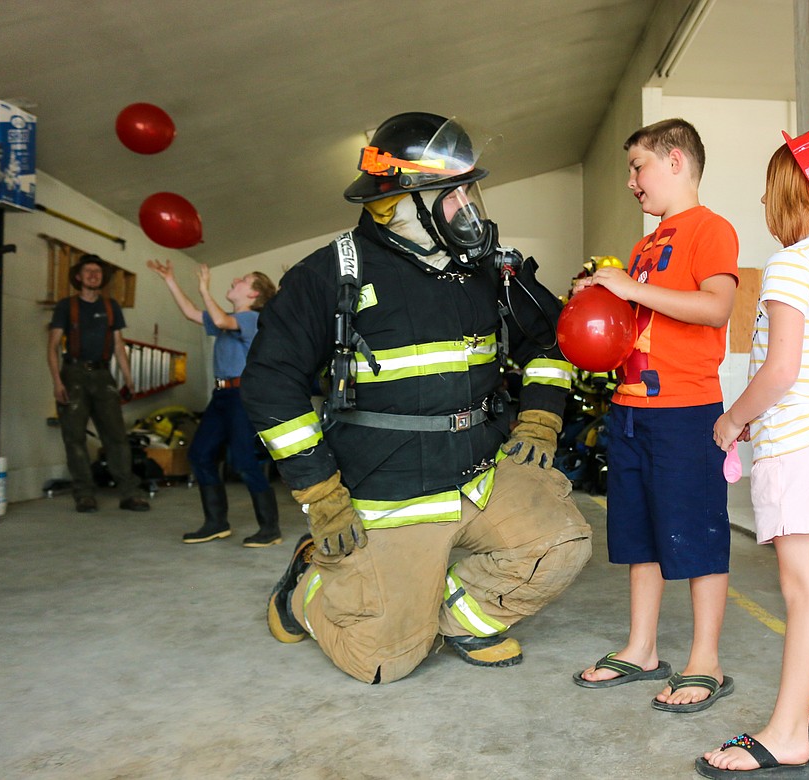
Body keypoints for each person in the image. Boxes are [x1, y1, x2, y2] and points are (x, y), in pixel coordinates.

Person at [241, 111, 592, 683]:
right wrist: (322, 496)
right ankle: (306, 589)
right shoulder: (329, 273)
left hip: (482, 470)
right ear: (405, 202)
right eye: (455, 194)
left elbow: (551, 340)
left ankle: (456, 622)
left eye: (470, 190)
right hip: (390, 485)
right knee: (383, 661)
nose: (471, 206)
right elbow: (269, 384)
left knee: (563, 543)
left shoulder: (490, 270)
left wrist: (539, 422)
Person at [696, 117, 809, 779]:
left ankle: (787, 734)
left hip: (798, 446)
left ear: (794, 195)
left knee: (804, 594)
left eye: (772, 188)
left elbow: (779, 371)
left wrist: (731, 420)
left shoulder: (790, 264)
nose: (766, 202)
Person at [572, 118, 739, 714]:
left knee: (696, 533)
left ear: (675, 160)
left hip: (685, 412)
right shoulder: (645, 246)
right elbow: (630, 323)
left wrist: (630, 291)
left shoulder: (709, 229)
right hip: (630, 411)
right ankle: (642, 649)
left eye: (638, 167)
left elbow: (716, 308)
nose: (630, 182)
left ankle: (705, 661)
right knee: (640, 535)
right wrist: (597, 299)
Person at [146, 259, 280, 547]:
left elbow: (219, 320)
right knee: (200, 455)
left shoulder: (253, 318)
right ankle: (216, 523)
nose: (235, 281)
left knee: (244, 462)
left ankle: (270, 528)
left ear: (254, 294)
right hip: (221, 396)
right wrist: (169, 279)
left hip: (242, 396)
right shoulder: (229, 318)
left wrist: (205, 288)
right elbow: (192, 313)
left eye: (243, 280)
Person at [47, 255, 150, 514]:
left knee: (116, 436)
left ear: (102, 277)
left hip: (104, 376)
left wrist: (127, 377)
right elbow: (52, 347)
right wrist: (57, 382)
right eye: (88, 271)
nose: (93, 275)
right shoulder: (65, 306)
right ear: (78, 277)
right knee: (74, 438)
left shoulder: (111, 306)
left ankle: (129, 493)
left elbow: (118, 344)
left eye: (97, 271)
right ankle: (84, 495)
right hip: (73, 374)